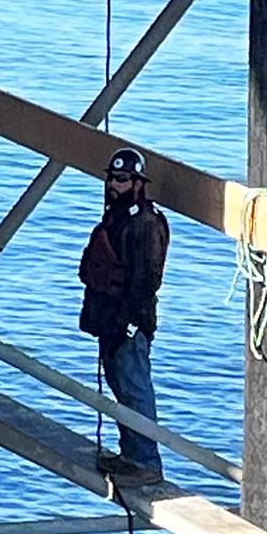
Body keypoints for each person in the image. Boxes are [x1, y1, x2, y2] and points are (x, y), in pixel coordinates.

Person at [77, 146, 170, 481]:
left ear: (137, 183)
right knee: (121, 387)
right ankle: (132, 454)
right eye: (111, 179)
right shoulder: (118, 218)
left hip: (128, 324)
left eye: (121, 179)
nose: (113, 186)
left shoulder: (145, 224)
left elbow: (146, 282)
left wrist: (128, 324)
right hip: (110, 321)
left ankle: (145, 461)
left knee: (134, 388)